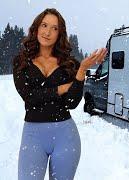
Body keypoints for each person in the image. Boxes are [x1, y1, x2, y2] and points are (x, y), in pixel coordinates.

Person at [12, 8, 107, 179]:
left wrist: (82, 70)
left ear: (59, 34)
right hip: (33, 136)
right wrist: (61, 88)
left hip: (65, 135)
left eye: (54, 28)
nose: (47, 32)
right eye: (44, 25)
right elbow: (30, 97)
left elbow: (71, 103)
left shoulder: (70, 64)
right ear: (36, 28)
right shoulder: (21, 62)